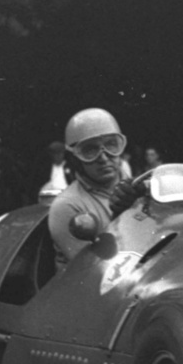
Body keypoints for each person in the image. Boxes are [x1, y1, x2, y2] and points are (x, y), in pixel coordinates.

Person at [49, 108, 129, 271]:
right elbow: (96, 270)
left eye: (111, 145)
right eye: (90, 150)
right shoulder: (67, 206)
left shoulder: (139, 187)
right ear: (75, 158)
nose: (104, 157)